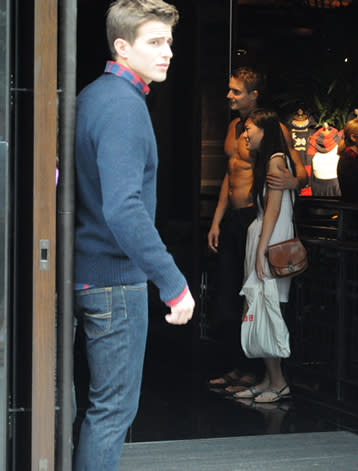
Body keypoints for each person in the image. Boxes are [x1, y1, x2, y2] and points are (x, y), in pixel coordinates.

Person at [73, 1, 195, 470]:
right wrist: (173, 282)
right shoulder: (123, 107)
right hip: (113, 279)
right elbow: (123, 207)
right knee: (113, 411)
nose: (168, 52)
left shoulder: (94, 97)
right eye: (155, 42)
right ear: (122, 47)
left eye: (169, 41)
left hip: (87, 269)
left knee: (94, 408)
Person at [207, 67, 306, 393]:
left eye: (236, 91)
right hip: (236, 218)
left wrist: (293, 182)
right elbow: (229, 173)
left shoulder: (271, 129)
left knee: (255, 293)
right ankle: (240, 364)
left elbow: (298, 170)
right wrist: (217, 218)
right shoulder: (236, 128)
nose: (230, 96)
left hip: (256, 215)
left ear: (254, 95)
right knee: (230, 295)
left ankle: (259, 373)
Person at [233, 109, 295, 403]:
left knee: (268, 309)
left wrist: (261, 251)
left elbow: (273, 208)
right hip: (265, 240)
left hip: (270, 244)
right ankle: (268, 378)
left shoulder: (276, 160)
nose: (245, 134)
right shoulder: (269, 161)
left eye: (250, 129)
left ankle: (278, 381)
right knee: (260, 307)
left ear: (264, 132)